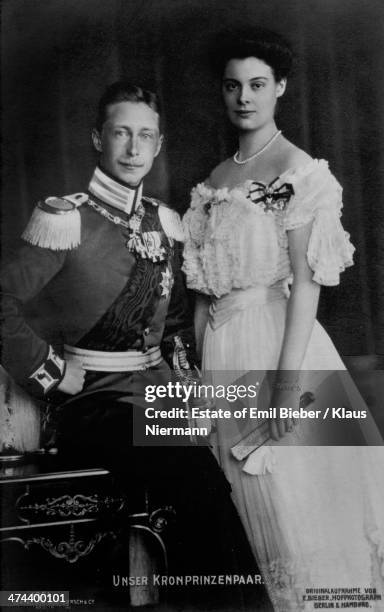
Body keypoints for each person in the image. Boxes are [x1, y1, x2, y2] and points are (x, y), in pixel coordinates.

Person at [0, 81, 268, 609]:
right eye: (121, 133)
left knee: (207, 479)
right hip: (90, 402)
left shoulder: (165, 223)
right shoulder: (65, 218)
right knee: (190, 474)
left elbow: (170, 331)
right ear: (98, 138)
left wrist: (188, 393)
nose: (133, 148)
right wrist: (51, 370)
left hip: (152, 395)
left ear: (159, 145)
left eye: (145, 135)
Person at [182, 29, 384, 611]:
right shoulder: (214, 180)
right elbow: (201, 291)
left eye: (258, 84)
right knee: (246, 512)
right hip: (221, 353)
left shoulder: (299, 172)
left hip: (280, 347)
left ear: (281, 88)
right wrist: (198, 379)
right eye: (233, 86)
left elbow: (305, 289)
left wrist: (286, 385)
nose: (244, 97)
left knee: (301, 509)